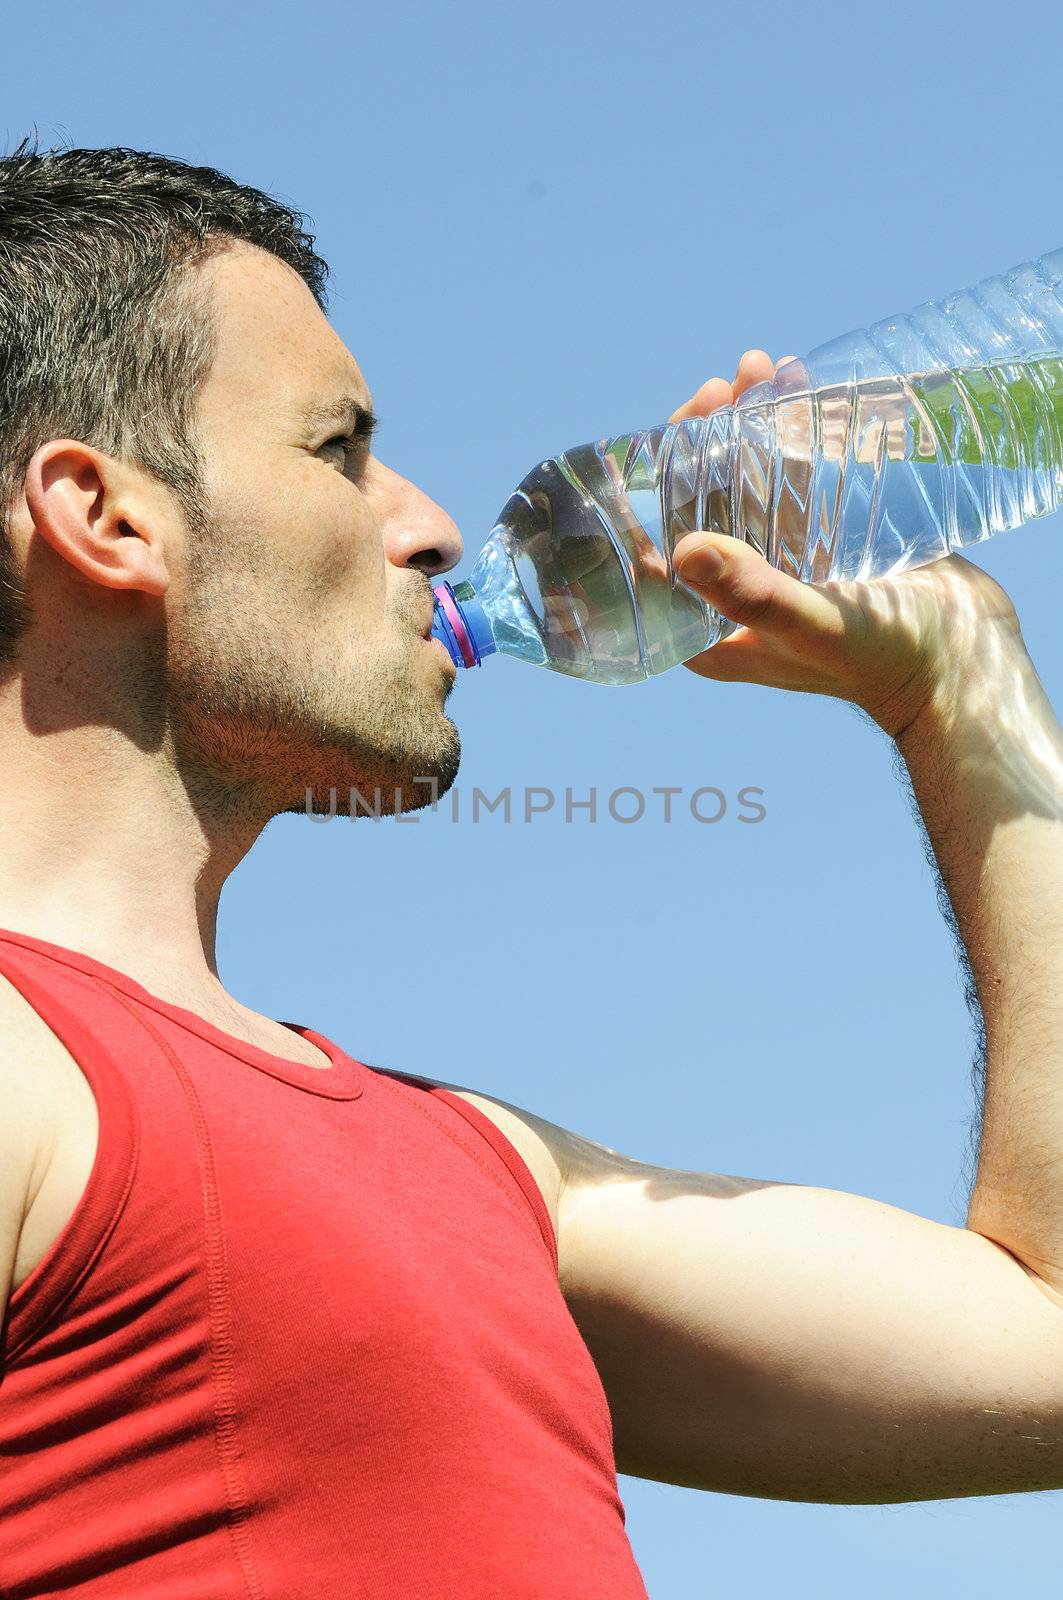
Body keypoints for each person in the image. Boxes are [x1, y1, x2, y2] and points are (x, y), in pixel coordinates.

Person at [0, 139, 1061, 1598]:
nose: (429, 524)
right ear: (103, 513)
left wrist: (961, 690)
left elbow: (1048, 1346)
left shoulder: (489, 1172)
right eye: (338, 450)